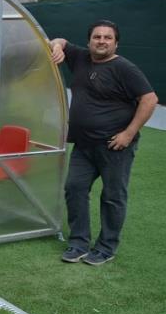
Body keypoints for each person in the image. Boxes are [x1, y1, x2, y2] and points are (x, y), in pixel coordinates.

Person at [49, 20, 157, 265]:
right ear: (89, 41)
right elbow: (62, 41)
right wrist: (56, 45)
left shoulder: (124, 68)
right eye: (97, 37)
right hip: (83, 146)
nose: (102, 41)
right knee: (74, 189)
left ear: (116, 43)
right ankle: (78, 243)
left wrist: (129, 133)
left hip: (114, 146)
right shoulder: (80, 58)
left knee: (112, 196)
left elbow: (149, 99)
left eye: (108, 38)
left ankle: (106, 247)